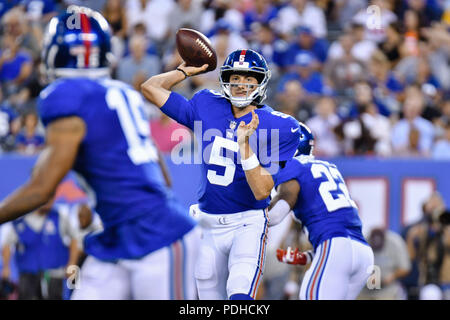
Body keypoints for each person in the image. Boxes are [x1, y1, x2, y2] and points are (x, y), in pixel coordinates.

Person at [0, 6, 199, 300]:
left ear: (54, 51)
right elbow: (163, 178)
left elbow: (42, 189)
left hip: (159, 238)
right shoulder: (124, 93)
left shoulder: (63, 97)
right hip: (118, 236)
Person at [141, 48, 301, 300]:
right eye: (235, 78)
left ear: (261, 82)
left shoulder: (279, 125)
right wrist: (182, 71)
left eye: (249, 79)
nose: (241, 85)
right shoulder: (207, 104)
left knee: (239, 295)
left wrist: (245, 146)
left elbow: (261, 191)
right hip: (206, 222)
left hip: (247, 222)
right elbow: (150, 87)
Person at [269, 122, 374, 300]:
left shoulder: (294, 166)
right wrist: (309, 256)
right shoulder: (329, 167)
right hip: (362, 252)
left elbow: (277, 212)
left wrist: (246, 216)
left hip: (335, 247)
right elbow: (340, 226)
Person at [1, 197, 79, 300]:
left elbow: (74, 239)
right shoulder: (21, 219)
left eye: (51, 198)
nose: (48, 201)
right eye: (46, 197)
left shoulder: (59, 216)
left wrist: (72, 264)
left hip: (54, 274)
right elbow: (7, 244)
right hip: (28, 274)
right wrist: (6, 267)